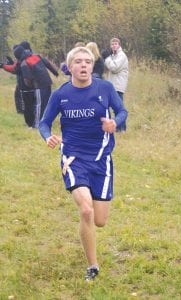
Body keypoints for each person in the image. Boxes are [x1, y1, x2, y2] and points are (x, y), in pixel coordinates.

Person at [38, 47, 128, 281]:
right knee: (86, 210)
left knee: (100, 221)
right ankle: (93, 266)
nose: (84, 65)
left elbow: (122, 111)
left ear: (92, 65)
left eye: (88, 61)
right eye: (78, 62)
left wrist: (114, 123)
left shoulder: (105, 88)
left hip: (101, 159)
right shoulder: (60, 94)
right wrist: (48, 136)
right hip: (73, 158)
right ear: (70, 67)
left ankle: (88, 231)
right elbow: (44, 123)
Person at [13, 45, 59, 128]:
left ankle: (37, 125)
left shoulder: (24, 63)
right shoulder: (36, 56)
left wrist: (31, 86)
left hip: (39, 86)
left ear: (17, 56)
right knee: (46, 104)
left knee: (39, 105)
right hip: (48, 83)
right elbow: (47, 63)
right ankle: (47, 122)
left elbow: (28, 78)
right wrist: (55, 72)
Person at [102, 37, 129, 132]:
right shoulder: (113, 55)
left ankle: (122, 128)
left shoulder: (121, 55)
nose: (114, 46)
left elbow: (114, 68)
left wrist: (107, 58)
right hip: (113, 84)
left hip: (118, 85)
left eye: (116, 44)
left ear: (119, 45)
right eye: (112, 44)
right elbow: (107, 68)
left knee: (119, 107)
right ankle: (118, 127)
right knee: (114, 107)